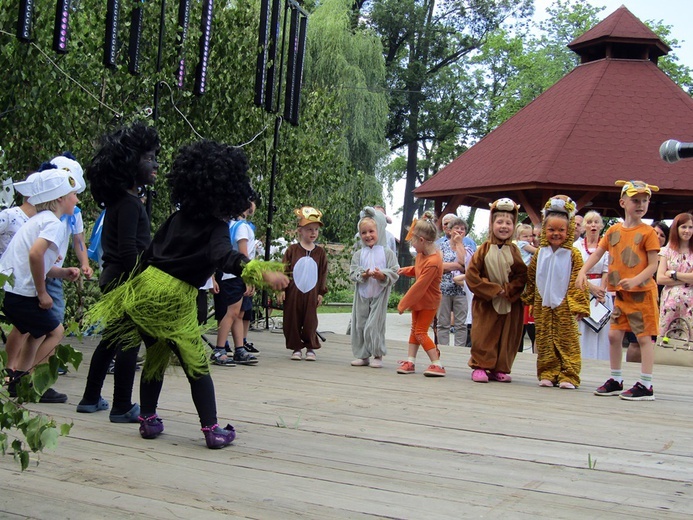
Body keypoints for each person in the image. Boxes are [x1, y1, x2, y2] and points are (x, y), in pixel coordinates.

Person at [83, 140, 289, 449]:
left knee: (154, 356)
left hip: (145, 287)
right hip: (174, 297)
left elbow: (150, 254)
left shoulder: (175, 219)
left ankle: (148, 420)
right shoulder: (217, 227)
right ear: (226, 192)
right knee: (196, 364)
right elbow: (225, 256)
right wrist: (260, 271)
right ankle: (212, 429)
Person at [77, 122, 160, 422]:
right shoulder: (128, 204)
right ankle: (122, 405)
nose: (155, 163)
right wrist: (144, 279)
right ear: (129, 163)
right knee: (127, 341)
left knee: (110, 340)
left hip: (113, 278)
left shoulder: (120, 202)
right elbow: (128, 249)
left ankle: (89, 397)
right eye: (149, 157)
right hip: (126, 280)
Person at [1, 169, 82, 402]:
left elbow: (39, 262)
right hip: (22, 293)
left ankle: (20, 383)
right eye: (73, 195)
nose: (76, 200)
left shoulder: (38, 219)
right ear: (60, 198)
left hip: (11, 291)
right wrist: (42, 292)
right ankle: (38, 384)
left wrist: (63, 272)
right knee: (56, 331)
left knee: (34, 333)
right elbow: (36, 255)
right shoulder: (53, 224)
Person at [577, 180, 660, 401]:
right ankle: (616, 378)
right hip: (621, 294)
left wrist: (635, 280)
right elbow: (597, 253)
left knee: (643, 338)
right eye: (635, 200)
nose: (640, 204)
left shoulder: (648, 232)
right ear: (623, 202)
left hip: (641, 294)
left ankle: (646, 383)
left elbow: (653, 265)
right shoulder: (614, 230)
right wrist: (582, 271)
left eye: (644, 200)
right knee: (614, 335)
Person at [523, 196, 590, 389]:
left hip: (565, 305)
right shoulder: (540, 253)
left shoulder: (573, 254)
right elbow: (531, 277)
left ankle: (569, 374)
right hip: (543, 304)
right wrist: (529, 298)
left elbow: (579, 280)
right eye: (551, 229)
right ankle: (547, 371)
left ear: (568, 231)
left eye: (561, 230)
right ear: (544, 229)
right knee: (544, 340)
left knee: (567, 340)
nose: (556, 234)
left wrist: (577, 304)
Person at [466, 199, 527, 383]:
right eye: (499, 222)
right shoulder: (483, 250)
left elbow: (522, 276)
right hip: (486, 302)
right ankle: (481, 365)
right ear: (492, 224)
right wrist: (493, 289)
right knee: (483, 334)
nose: (504, 226)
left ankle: (500, 367)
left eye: (508, 223)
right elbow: (472, 275)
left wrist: (508, 290)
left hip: (509, 301)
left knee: (506, 335)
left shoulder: (514, 250)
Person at [211, 199, 260, 366]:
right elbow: (244, 255)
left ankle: (239, 348)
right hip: (235, 276)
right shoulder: (242, 228)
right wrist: (249, 279)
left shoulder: (231, 224)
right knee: (231, 313)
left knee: (238, 314)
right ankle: (219, 349)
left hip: (230, 275)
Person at [396, 211, 445, 377]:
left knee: (420, 332)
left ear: (422, 240)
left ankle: (437, 364)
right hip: (420, 300)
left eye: (413, 242)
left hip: (428, 301)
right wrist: (407, 270)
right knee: (414, 330)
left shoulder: (434, 261)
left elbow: (420, 285)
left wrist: (403, 303)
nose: (413, 246)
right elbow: (419, 271)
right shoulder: (422, 254)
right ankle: (411, 361)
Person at [349, 207, 399, 368]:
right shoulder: (359, 254)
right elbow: (353, 272)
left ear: (379, 230)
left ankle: (378, 353)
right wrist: (362, 275)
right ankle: (363, 355)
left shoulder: (387, 253)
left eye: (371, 231)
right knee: (360, 324)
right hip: (363, 295)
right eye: (364, 233)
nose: (368, 235)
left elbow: (394, 271)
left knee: (374, 325)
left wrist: (382, 275)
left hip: (379, 295)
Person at [277, 206, 328, 361]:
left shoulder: (320, 252)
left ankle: (310, 346)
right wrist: (281, 289)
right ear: (300, 230)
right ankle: (296, 347)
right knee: (292, 318)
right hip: (293, 292)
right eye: (309, 229)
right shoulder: (292, 250)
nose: (313, 233)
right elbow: (284, 270)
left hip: (311, 292)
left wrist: (321, 292)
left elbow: (323, 273)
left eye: (316, 230)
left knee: (310, 319)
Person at [625, 219, 670, 361]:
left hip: (662, 305)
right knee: (635, 341)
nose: (657, 237)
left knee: (655, 343)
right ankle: (630, 371)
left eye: (662, 235)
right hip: (639, 301)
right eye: (655, 233)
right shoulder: (637, 252)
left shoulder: (668, 257)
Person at [574, 210, 611, 360]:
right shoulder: (576, 246)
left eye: (596, 222)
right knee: (582, 327)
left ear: (601, 226)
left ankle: (600, 360)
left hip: (601, 292)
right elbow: (575, 270)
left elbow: (607, 269)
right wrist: (591, 288)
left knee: (600, 329)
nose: (593, 225)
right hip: (582, 288)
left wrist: (601, 291)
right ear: (584, 226)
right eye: (589, 222)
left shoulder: (606, 246)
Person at [656, 212, 693, 339]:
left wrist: (673, 274)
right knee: (665, 339)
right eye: (683, 227)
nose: (687, 231)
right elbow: (660, 279)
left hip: (690, 305)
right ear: (676, 228)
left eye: (690, 227)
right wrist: (687, 279)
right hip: (669, 305)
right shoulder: (666, 251)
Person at [436, 215, 471, 349]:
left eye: (462, 229)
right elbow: (439, 266)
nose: (460, 231)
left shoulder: (467, 247)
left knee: (461, 325)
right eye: (457, 228)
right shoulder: (441, 246)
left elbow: (465, 263)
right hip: (443, 289)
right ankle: (442, 349)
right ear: (449, 231)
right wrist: (457, 266)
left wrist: (459, 244)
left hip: (461, 290)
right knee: (443, 322)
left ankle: (459, 350)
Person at [514, 223, 537, 352]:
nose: (529, 238)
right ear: (519, 237)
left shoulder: (524, 245)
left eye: (531, 236)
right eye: (525, 236)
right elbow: (538, 252)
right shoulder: (523, 245)